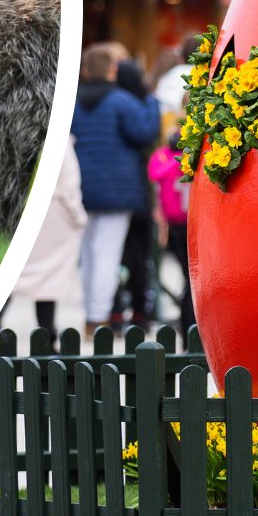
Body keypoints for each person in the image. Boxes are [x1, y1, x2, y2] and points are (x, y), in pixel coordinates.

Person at [72, 42, 160, 337]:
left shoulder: (72, 105)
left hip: (82, 189)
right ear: (112, 70)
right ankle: (98, 318)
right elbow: (145, 132)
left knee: (87, 254)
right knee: (107, 255)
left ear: (85, 70)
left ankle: (89, 314)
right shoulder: (122, 101)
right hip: (117, 191)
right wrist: (151, 102)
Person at [8, 137, 86, 345]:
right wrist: (79, 218)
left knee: (12, 276)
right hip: (55, 217)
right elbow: (70, 185)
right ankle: (46, 334)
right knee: (49, 280)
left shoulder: (23, 135)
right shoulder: (60, 144)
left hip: (22, 212)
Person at [113, 57, 160, 326]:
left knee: (115, 255)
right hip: (134, 189)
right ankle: (141, 310)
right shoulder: (133, 105)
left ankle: (116, 308)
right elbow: (146, 133)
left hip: (106, 191)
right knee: (139, 254)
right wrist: (152, 103)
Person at [149, 128, 195, 335]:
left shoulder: (184, 156)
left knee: (190, 278)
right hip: (177, 224)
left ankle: (188, 330)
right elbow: (155, 173)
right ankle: (188, 331)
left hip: (187, 222)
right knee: (190, 278)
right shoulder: (167, 157)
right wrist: (178, 159)